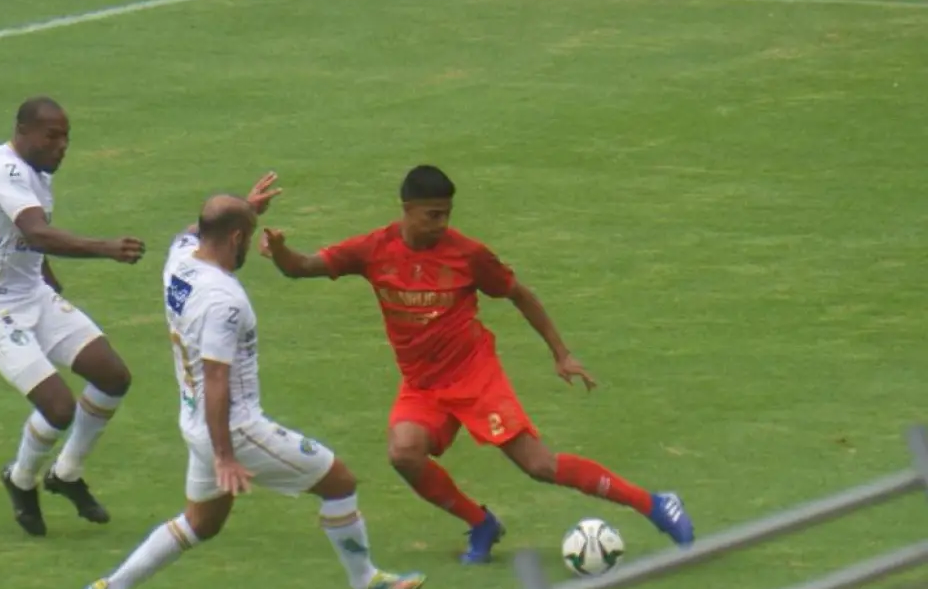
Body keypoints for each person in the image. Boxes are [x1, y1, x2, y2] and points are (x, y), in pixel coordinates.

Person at [260, 165, 695, 564]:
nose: (442, 224)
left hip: (474, 375)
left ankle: (654, 504)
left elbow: (520, 294)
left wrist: (561, 354)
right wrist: (280, 251)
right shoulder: (374, 250)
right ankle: (481, 523)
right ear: (407, 210)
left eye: (446, 214)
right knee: (404, 453)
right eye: (433, 215)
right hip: (423, 384)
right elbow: (301, 267)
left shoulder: (467, 255)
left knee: (539, 466)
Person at [83, 178, 426, 589]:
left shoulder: (181, 260)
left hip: (195, 421)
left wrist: (245, 207)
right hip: (236, 428)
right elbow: (217, 378)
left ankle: (113, 588)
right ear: (237, 239)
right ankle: (365, 582)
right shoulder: (223, 300)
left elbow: (193, 229)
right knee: (339, 482)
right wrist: (226, 456)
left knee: (202, 522)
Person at [0, 96, 146, 537]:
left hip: (33, 296)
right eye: (52, 136)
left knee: (112, 375)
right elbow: (37, 231)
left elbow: (22, 239)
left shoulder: (36, 173)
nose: (62, 146)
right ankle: (21, 479)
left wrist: (46, 274)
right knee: (58, 406)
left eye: (66, 138)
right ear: (22, 131)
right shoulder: (3, 170)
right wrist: (105, 248)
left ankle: (67, 474)